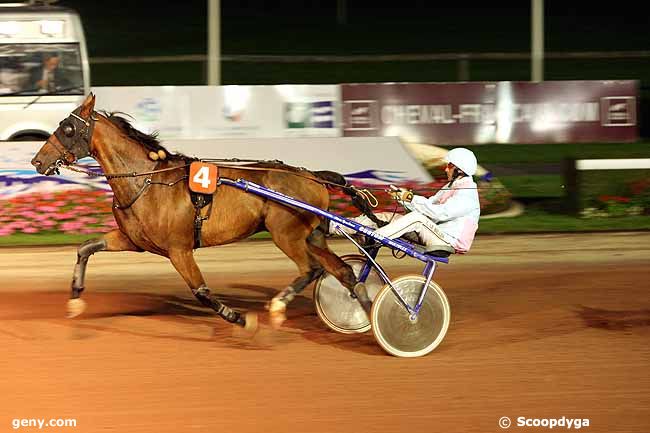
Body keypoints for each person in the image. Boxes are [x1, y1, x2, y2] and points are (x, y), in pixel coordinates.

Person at [330, 147, 481, 254]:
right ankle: (333, 226)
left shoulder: (468, 194)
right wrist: (403, 199)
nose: (445, 169)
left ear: (460, 170)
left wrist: (410, 197)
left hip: (448, 241)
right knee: (387, 216)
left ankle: (375, 238)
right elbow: (429, 205)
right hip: (436, 233)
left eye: (449, 166)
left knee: (417, 219)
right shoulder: (451, 186)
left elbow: (440, 214)